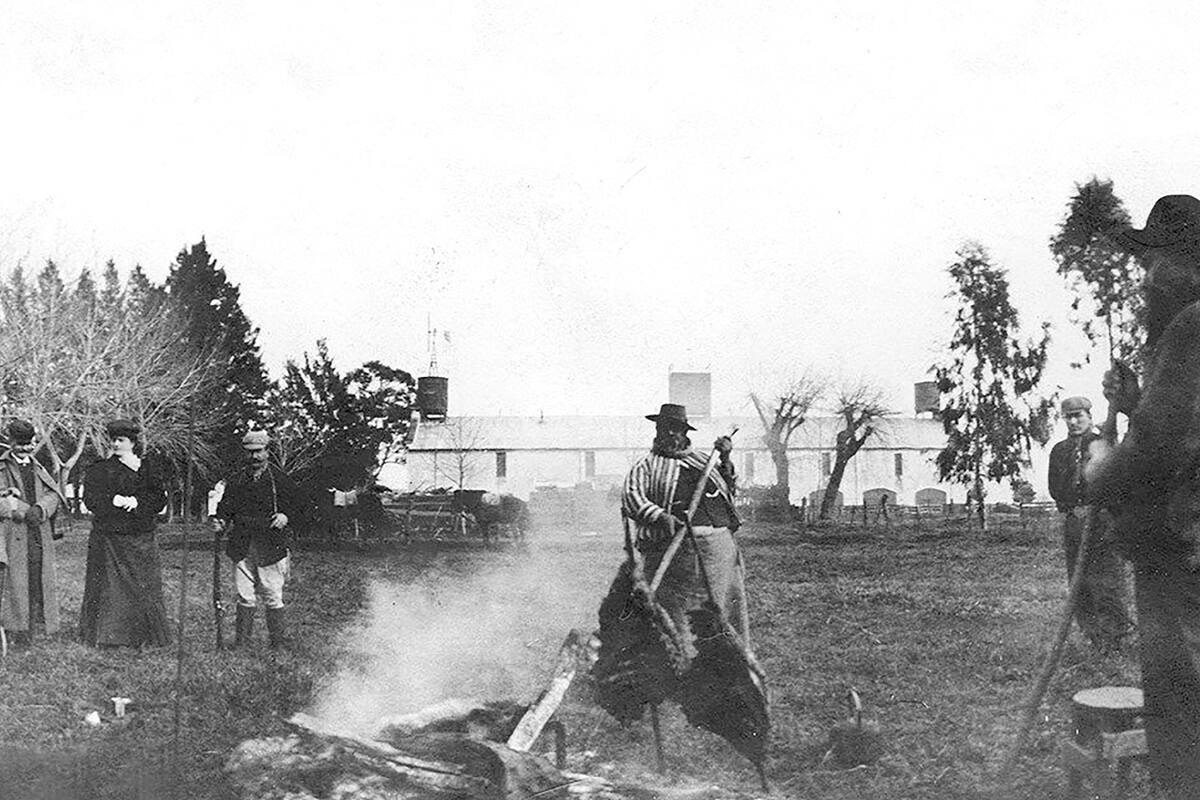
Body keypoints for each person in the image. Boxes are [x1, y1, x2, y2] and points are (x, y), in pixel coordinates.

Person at [1085, 194, 1200, 799]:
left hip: (1179, 560)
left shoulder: (1192, 324)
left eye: (1151, 262)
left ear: (1186, 263)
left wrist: (1100, 468)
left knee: (1181, 714)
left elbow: (1156, 454)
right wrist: (1135, 403)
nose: (1144, 279)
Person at [621, 403, 751, 654]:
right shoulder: (645, 466)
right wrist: (662, 517)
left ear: (685, 432)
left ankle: (727, 658)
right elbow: (632, 498)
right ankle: (678, 659)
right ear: (657, 430)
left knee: (721, 608)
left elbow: (729, 489)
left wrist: (725, 458)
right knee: (673, 613)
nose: (670, 434)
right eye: (665, 428)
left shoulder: (703, 461)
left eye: (676, 429)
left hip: (718, 554)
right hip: (672, 554)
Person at [1046, 395, 1131, 651]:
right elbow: (1054, 487)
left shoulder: (1103, 444)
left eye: (1078, 416)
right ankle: (1093, 635)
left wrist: (1098, 509)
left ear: (1089, 417)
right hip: (1074, 521)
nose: (1073, 422)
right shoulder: (1059, 451)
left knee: (1105, 580)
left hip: (1102, 522)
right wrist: (1072, 507)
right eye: (1068, 417)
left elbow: (1117, 485)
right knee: (1079, 581)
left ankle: (1113, 636)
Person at [79, 419, 171, 648]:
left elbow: (159, 499)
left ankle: (145, 635)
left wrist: (138, 502)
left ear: (132, 442)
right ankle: (113, 637)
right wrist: (114, 500)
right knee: (113, 588)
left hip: (142, 535)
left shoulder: (148, 467)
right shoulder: (100, 469)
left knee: (144, 585)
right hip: (111, 536)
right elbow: (91, 500)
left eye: (121, 440)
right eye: (113, 440)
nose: (116, 444)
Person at [213, 429, 304, 649]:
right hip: (242, 543)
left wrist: (285, 516)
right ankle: (242, 643)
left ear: (267, 451)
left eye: (259, 452)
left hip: (270, 543)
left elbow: (299, 506)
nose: (254, 457)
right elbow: (226, 508)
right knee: (244, 594)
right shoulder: (236, 480)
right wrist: (221, 521)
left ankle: (278, 644)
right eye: (250, 452)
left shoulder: (279, 479)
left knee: (272, 593)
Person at [0, 420, 66, 646]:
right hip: (12, 533)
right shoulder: (1, 467)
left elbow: (54, 494)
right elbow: (2, 501)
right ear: (10, 442)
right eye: (20, 444)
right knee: (15, 581)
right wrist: (22, 511)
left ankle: (34, 626)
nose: (25, 448)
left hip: (38, 532)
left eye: (29, 444)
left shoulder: (39, 467)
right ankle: (14, 629)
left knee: (37, 576)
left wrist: (41, 509)